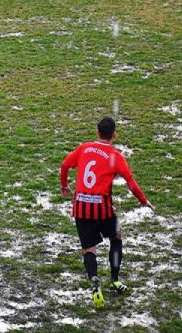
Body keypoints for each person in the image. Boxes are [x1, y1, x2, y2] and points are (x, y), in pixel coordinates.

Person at [60, 117, 154, 309]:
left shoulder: (84, 148)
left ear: (97, 133)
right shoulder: (115, 156)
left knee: (89, 250)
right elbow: (131, 183)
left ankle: (94, 280)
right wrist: (144, 201)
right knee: (116, 237)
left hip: (81, 208)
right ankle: (114, 280)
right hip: (103, 209)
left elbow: (64, 165)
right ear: (114, 135)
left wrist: (64, 185)